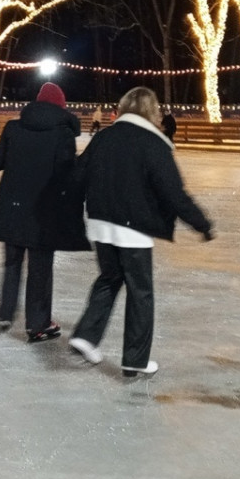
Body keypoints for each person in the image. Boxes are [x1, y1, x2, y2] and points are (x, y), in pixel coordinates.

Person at [68, 87, 213, 374]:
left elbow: (77, 176)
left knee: (109, 278)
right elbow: (173, 193)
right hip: (132, 230)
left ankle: (86, 335)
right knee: (140, 291)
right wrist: (201, 223)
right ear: (152, 111)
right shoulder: (153, 143)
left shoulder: (104, 137)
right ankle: (135, 359)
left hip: (100, 224)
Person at [0, 82, 89, 343]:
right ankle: (37, 325)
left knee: (12, 263)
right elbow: (67, 176)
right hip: (43, 212)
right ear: (61, 106)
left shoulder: (13, 128)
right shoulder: (62, 134)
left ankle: (5, 313)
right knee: (40, 269)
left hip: (11, 208)